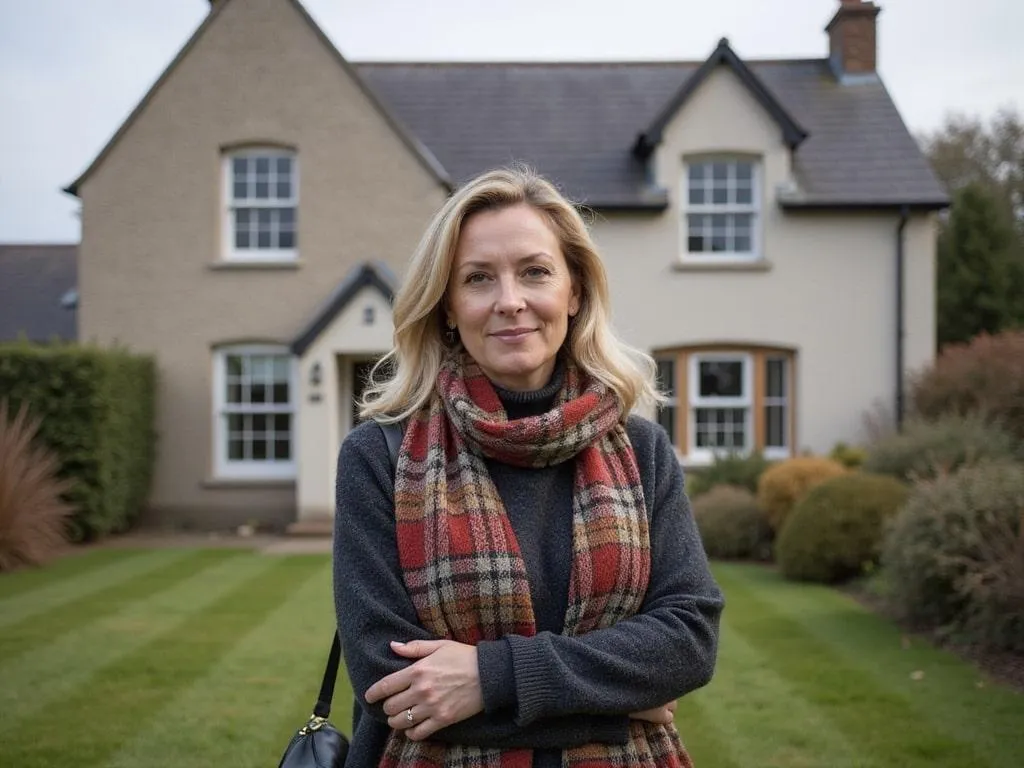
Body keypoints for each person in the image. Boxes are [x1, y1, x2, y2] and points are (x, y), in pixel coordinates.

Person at [333, 166, 724, 768]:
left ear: (574, 292)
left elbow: (688, 641)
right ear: (446, 306)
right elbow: (392, 686)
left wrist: (489, 678)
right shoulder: (378, 457)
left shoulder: (642, 451)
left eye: (535, 272)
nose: (510, 301)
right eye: (478, 278)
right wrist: (619, 701)